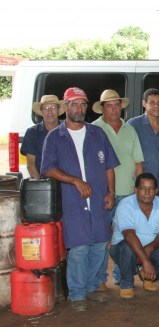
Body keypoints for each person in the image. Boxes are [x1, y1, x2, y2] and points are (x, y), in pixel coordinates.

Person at [42, 87, 119, 312]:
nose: (79, 109)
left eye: (83, 104)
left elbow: (109, 166)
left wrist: (111, 192)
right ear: (64, 107)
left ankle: (91, 287)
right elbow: (47, 169)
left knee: (98, 247)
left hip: (98, 201)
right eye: (74, 104)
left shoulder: (97, 133)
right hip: (72, 202)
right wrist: (75, 181)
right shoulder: (55, 136)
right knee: (78, 249)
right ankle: (77, 294)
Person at [92, 89, 145, 290]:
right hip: (103, 194)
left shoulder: (130, 129)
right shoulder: (93, 129)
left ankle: (119, 275)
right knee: (102, 237)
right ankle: (99, 278)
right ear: (103, 108)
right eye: (109, 105)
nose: (114, 109)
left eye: (117, 105)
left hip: (128, 194)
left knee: (124, 237)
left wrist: (138, 190)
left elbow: (138, 163)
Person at [109, 173, 159, 299]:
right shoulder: (125, 205)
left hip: (147, 248)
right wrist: (145, 260)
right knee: (128, 247)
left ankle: (147, 277)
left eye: (151, 188)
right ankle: (127, 284)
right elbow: (128, 235)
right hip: (123, 249)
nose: (147, 192)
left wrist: (149, 248)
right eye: (142, 188)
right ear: (135, 190)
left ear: (156, 191)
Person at [127, 88, 159, 207]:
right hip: (145, 187)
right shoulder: (134, 125)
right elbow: (130, 158)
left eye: (158, 102)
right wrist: (136, 186)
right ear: (144, 104)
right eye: (152, 102)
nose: (156, 106)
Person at [21, 95, 63, 177]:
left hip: (65, 183)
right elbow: (31, 165)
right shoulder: (32, 133)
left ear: (58, 110)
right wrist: (41, 186)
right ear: (41, 112)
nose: (50, 112)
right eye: (46, 108)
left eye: (53, 108)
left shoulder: (67, 132)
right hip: (43, 182)